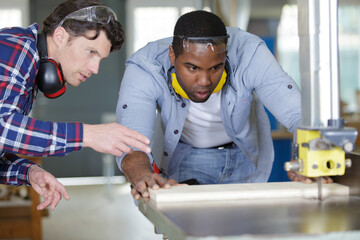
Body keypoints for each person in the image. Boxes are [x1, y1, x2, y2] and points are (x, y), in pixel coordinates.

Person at [116, 10, 331, 201]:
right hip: (186, 158)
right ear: (172, 56)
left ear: (226, 54)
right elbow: (131, 141)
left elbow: (298, 114)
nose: (204, 81)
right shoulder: (145, 67)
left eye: (215, 67)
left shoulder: (250, 52)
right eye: (192, 68)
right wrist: (144, 177)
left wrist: (307, 154)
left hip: (244, 155)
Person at [0, 0, 151, 210]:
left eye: (101, 59)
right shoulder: (17, 48)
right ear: (60, 36)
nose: (95, 68)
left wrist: (28, 171)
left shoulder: (31, 64)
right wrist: (87, 135)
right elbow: (2, 129)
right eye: (91, 52)